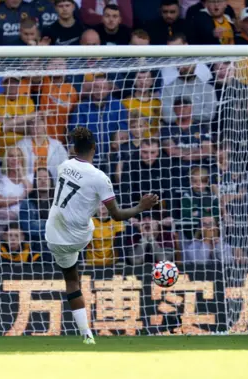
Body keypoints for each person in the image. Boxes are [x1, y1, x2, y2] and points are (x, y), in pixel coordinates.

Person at [44, 127, 158, 345]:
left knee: (71, 281)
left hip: (53, 234)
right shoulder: (100, 178)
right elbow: (117, 215)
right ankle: (87, 334)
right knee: (96, 220)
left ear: (73, 148)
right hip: (79, 236)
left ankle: (86, 334)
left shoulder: (63, 166)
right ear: (95, 148)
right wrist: (141, 207)